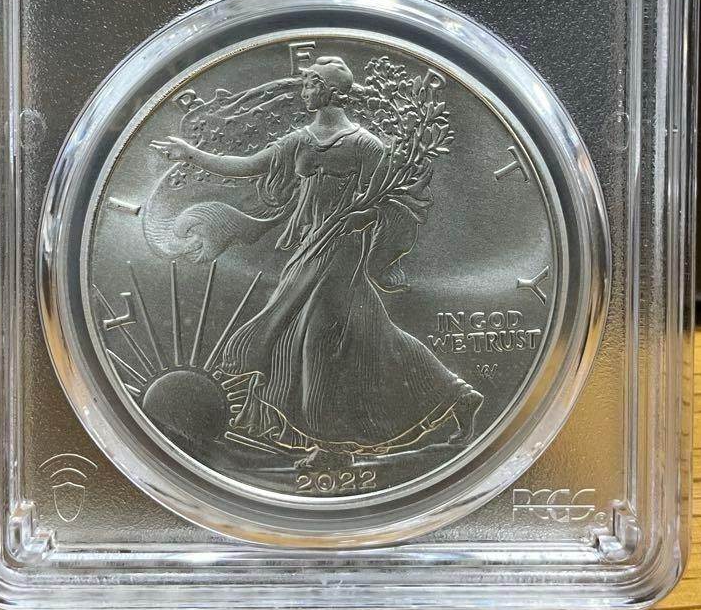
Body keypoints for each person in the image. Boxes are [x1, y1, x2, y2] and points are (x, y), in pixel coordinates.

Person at [151, 56, 482, 467]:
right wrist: (191, 155)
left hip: (343, 248)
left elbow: (394, 201)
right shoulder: (300, 141)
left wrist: (364, 218)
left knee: (316, 338)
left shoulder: (365, 145)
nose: (303, 91)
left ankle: (331, 447)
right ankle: (456, 395)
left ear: (331, 91)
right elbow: (248, 166)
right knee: (367, 335)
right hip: (310, 245)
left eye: (310, 85)